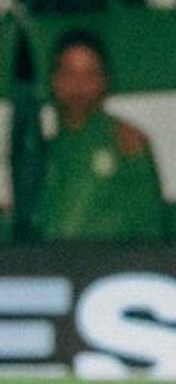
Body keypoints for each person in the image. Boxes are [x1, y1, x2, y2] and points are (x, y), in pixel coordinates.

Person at [31, 30, 168, 242]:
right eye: (69, 73)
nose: (78, 85)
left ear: (104, 81)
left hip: (111, 268)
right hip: (54, 267)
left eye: (89, 75)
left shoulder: (125, 139)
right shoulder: (43, 148)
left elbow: (152, 228)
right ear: (54, 80)